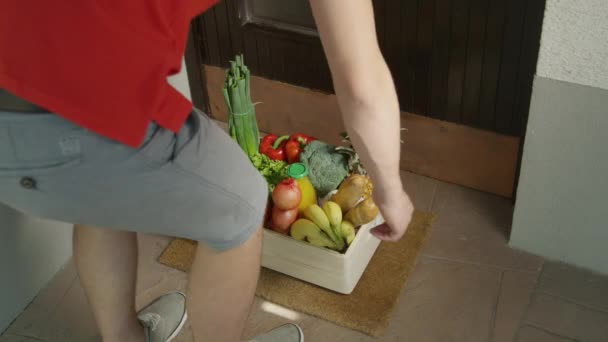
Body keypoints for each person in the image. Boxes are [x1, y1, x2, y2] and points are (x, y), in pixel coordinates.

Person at [0, 0, 414, 341]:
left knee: (101, 193)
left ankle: (124, 338)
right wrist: (391, 192)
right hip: (64, 115)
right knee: (243, 205)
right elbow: (363, 86)